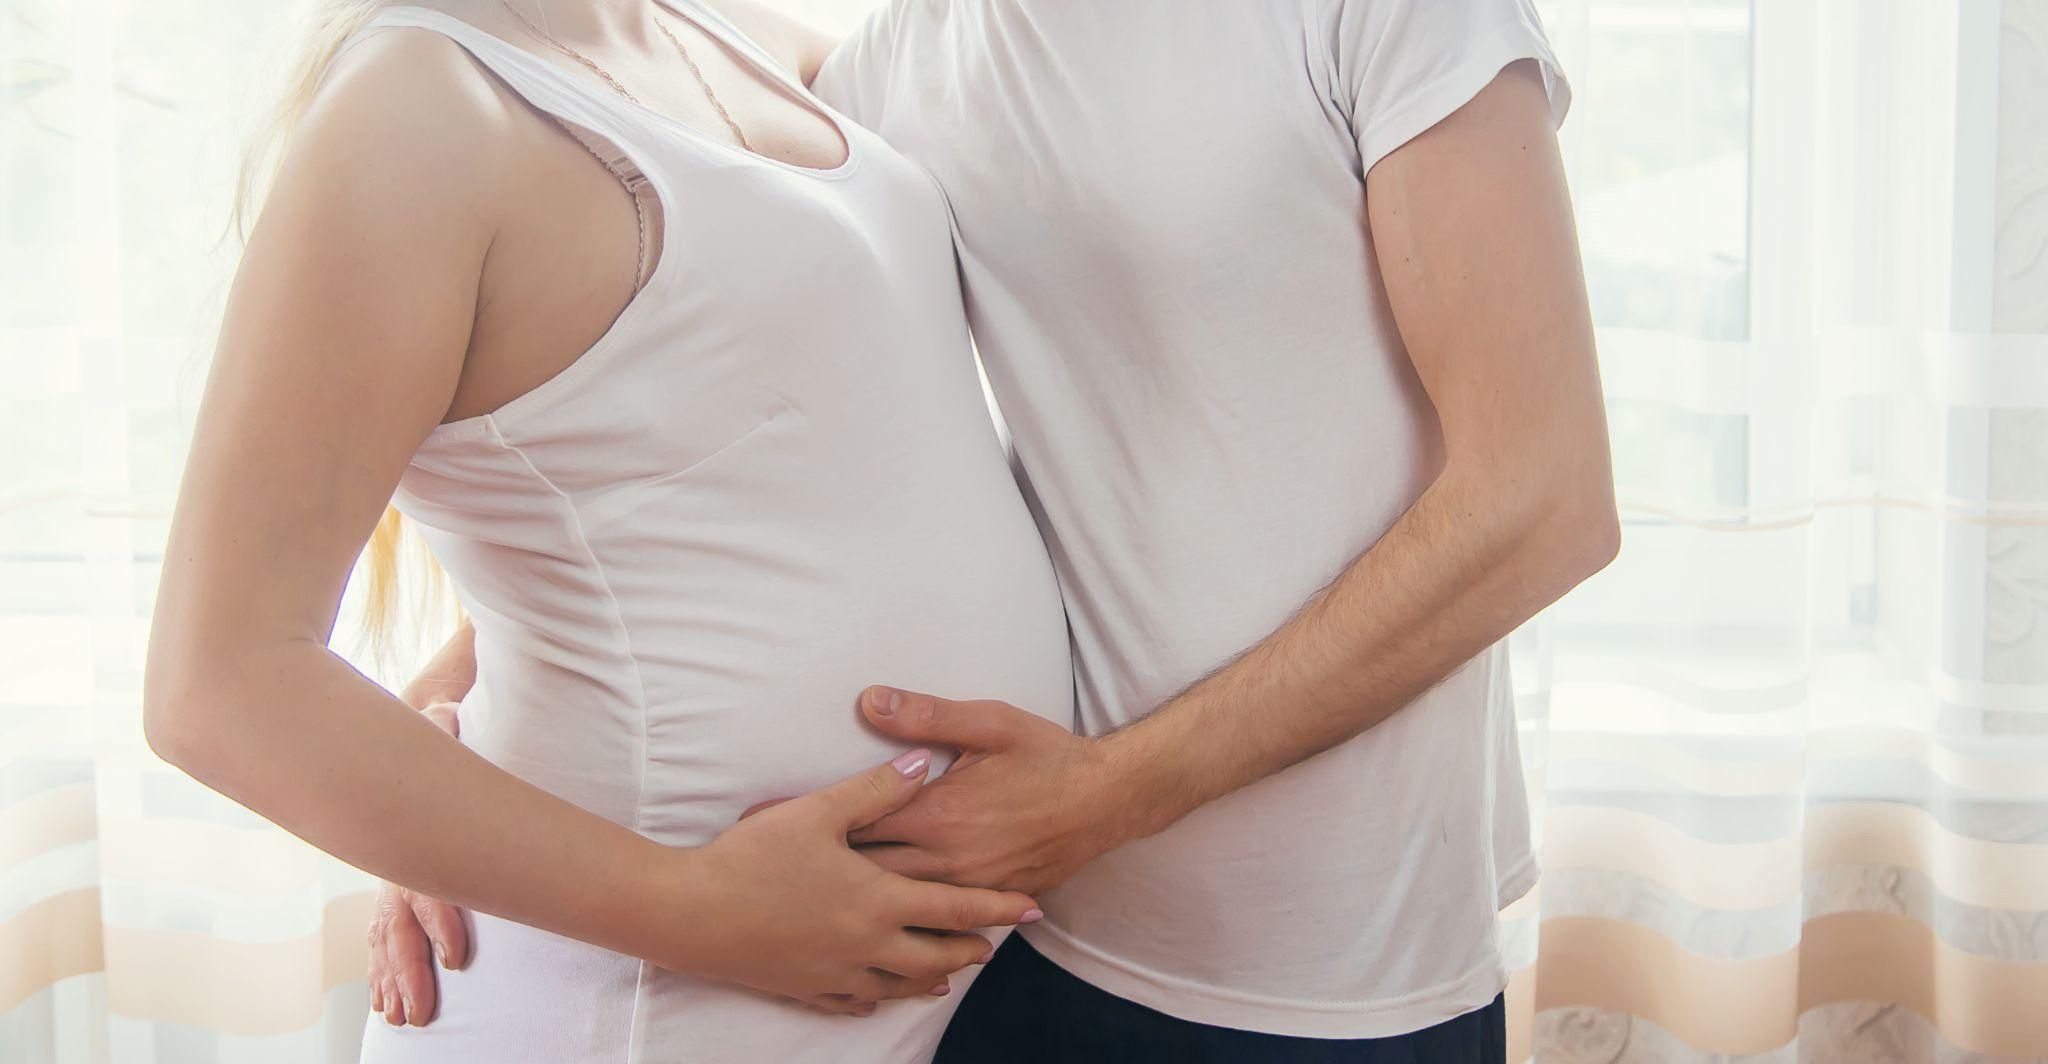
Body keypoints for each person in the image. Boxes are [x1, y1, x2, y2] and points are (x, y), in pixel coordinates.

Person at [375, 0, 1618, 1059]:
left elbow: (1539, 501)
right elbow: (702, 443)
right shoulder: (878, 71)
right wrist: (449, 767)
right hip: (993, 946)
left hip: (1331, 964)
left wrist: (1107, 796)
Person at [141, 0, 1074, 1060]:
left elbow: (676, 469)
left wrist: (444, 696)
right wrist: (698, 907)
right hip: (644, 999)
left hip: (871, 989)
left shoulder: (731, 38)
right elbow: (217, 688)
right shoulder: (417, 107)